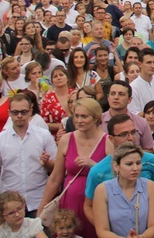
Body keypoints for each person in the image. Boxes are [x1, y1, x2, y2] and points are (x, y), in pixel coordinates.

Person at [38, 98, 110, 238]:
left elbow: (114, 178)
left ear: (96, 118)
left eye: (84, 116)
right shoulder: (66, 139)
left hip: (95, 203)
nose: (79, 120)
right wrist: (43, 205)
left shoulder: (107, 141)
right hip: (70, 202)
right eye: (76, 116)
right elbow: (55, 177)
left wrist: (93, 166)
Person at [0, 93, 57, 217]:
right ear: (9, 113)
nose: (20, 116)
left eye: (23, 112)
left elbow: (57, 168)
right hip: (9, 203)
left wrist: (46, 163)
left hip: (38, 200)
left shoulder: (43, 135)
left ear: (30, 111)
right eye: (15, 112)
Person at [83, 115, 154, 227]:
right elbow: (88, 206)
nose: (131, 138)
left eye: (133, 132)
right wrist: (105, 228)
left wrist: (150, 221)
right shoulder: (97, 171)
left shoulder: (150, 160)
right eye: (124, 134)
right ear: (111, 139)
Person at [92, 143, 154, 238]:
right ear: (116, 166)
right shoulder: (102, 190)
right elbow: (102, 231)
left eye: (138, 163)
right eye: (129, 164)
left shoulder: (150, 186)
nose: (135, 168)